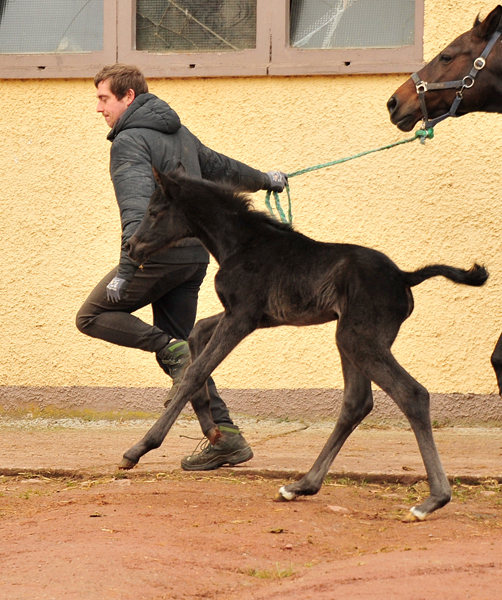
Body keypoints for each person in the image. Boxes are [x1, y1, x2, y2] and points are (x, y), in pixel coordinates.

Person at [76, 64, 288, 471]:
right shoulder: (179, 132)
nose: (98, 108)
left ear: (128, 97)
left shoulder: (130, 141)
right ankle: (225, 439)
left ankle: (168, 349)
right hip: (193, 260)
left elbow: (137, 211)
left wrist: (126, 268)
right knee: (188, 353)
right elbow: (223, 168)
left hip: (156, 256)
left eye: (104, 99)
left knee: (92, 316)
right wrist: (266, 179)